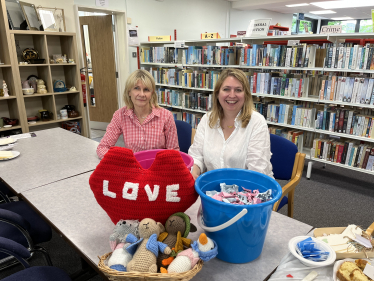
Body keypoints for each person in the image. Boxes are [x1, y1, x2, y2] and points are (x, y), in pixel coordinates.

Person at [188, 68, 273, 180]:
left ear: (246, 95)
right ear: (218, 93)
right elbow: (196, 156)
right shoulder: (207, 119)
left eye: (238, 90)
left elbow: (257, 172)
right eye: (226, 89)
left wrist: (229, 196)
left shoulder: (257, 123)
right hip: (213, 188)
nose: (232, 95)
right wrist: (194, 173)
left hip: (248, 190)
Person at [96, 69, 179, 159]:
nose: (142, 94)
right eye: (136, 88)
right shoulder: (120, 115)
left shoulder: (166, 116)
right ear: (129, 92)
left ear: (151, 93)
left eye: (146, 90)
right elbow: (102, 148)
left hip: (158, 168)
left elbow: (174, 152)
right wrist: (119, 160)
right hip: (133, 168)